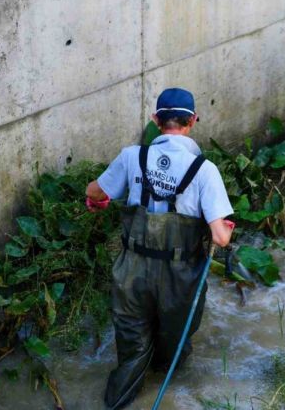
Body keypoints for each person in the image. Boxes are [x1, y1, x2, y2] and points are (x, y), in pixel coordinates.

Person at [85, 87, 235, 409]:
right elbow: (221, 238)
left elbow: (95, 191)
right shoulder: (205, 171)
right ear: (192, 121)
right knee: (175, 342)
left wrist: (99, 198)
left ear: (156, 120)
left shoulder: (131, 157)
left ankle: (119, 399)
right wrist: (224, 228)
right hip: (180, 276)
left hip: (132, 271)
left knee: (132, 346)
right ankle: (171, 389)